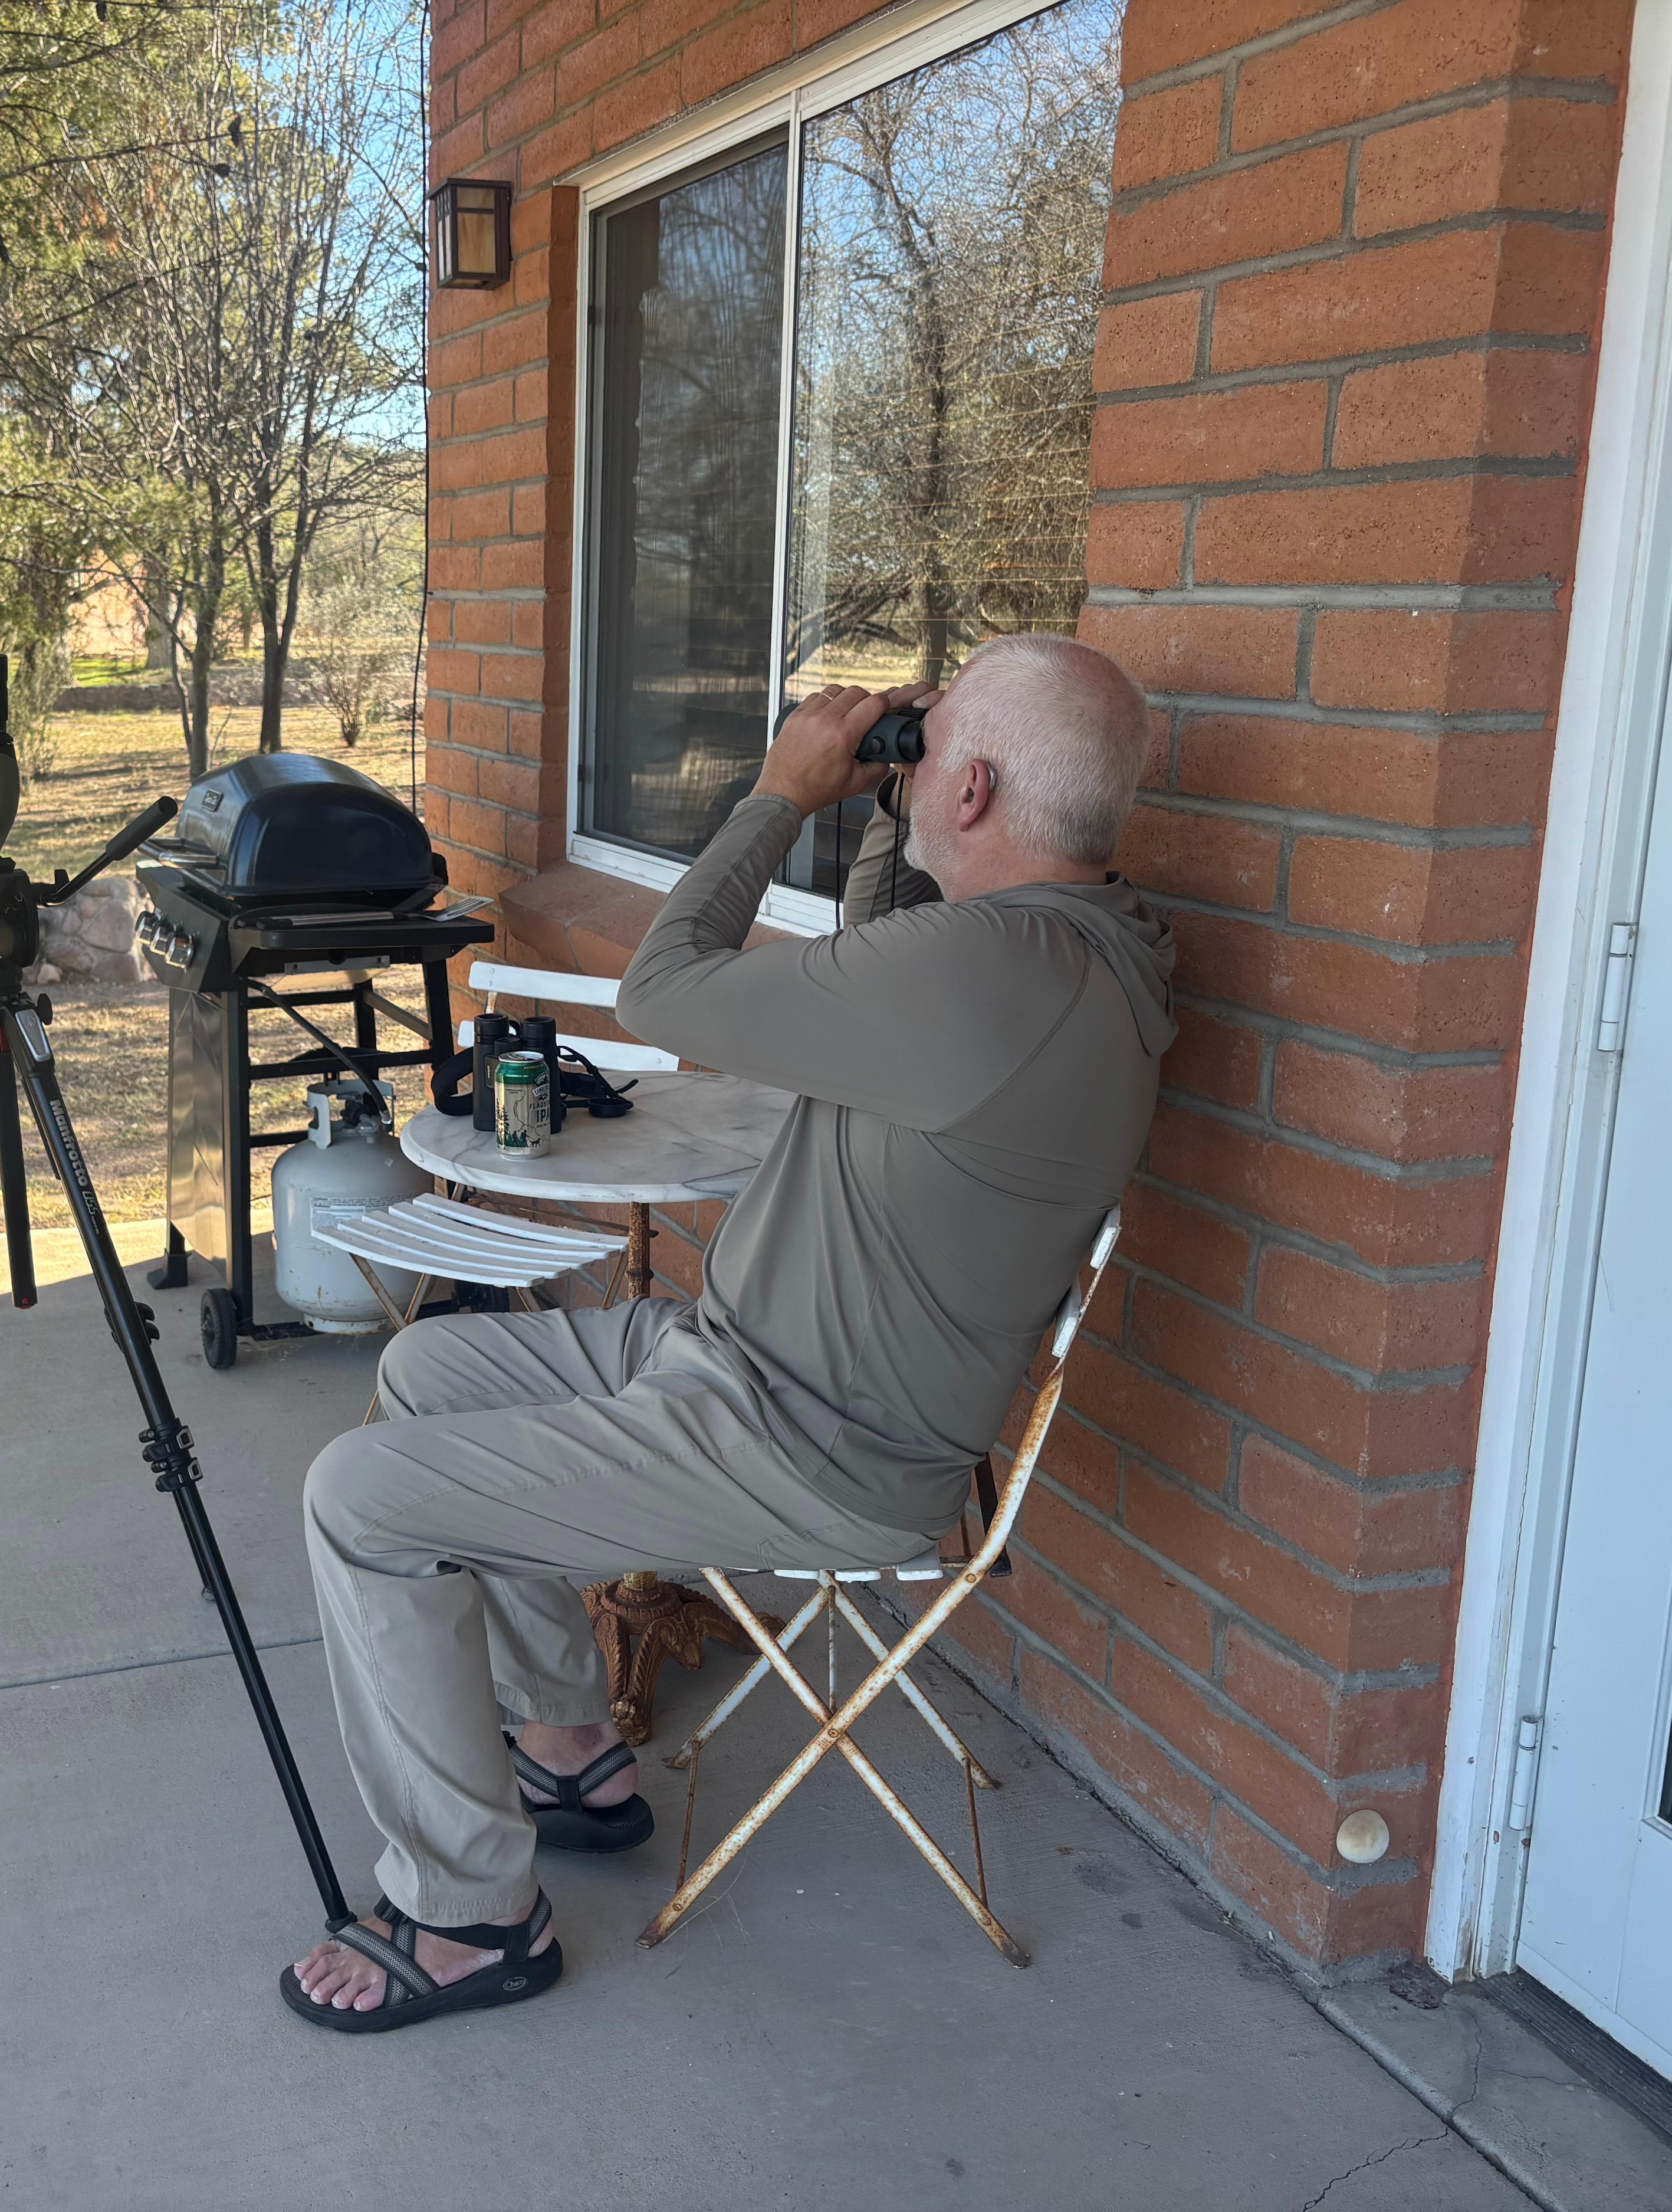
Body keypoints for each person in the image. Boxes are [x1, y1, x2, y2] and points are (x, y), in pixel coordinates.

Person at [279, 633, 1175, 2033]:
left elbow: (664, 993)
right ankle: (572, 1752)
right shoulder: (1064, 951)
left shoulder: (994, 973)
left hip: (806, 1444)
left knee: (361, 1501)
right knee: (425, 1365)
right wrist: (890, 804)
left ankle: (469, 1918)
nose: (908, 760)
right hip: (743, 1363)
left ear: (980, 792)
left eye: (928, 753)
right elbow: (888, 953)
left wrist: (779, 794)